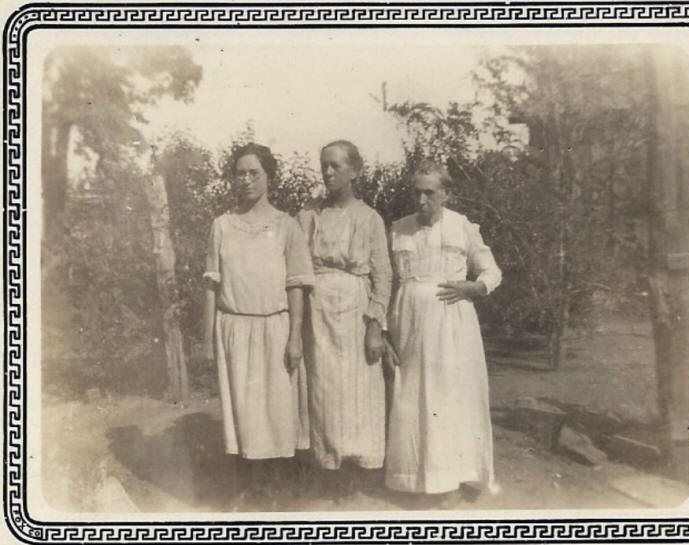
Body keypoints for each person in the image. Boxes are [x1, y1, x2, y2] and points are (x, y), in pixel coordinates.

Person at [203, 143, 314, 507]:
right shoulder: (222, 226)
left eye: (255, 172)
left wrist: (295, 337)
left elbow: (296, 285)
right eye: (240, 173)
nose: (246, 180)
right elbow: (212, 285)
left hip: (275, 328)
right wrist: (208, 339)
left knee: (276, 410)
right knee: (242, 412)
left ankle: (275, 490)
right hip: (234, 328)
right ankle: (245, 488)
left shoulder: (287, 226)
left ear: (269, 177)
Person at [384, 161, 502, 507]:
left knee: (450, 397)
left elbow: (492, 271)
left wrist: (473, 287)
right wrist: (386, 330)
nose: (421, 200)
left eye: (429, 192)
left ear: (446, 194)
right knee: (412, 398)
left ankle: (452, 480)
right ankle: (415, 479)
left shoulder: (462, 226)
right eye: (416, 192)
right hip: (408, 324)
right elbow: (387, 282)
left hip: (452, 323)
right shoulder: (398, 230)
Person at [297, 140, 392, 496]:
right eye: (324, 165)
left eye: (336, 165)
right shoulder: (309, 215)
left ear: (355, 171)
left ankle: (359, 471)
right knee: (324, 388)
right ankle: (327, 469)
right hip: (317, 310)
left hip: (356, 311)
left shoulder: (369, 218)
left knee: (357, 390)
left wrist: (375, 326)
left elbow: (383, 275)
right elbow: (294, 263)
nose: (328, 172)